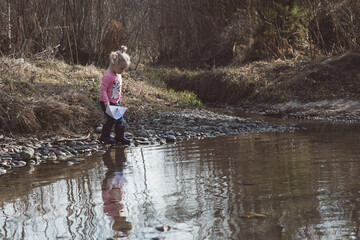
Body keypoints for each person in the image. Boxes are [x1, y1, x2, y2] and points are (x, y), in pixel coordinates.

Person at [99, 49, 131, 144]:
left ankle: (119, 137)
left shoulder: (118, 75)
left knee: (119, 119)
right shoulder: (108, 76)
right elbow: (103, 89)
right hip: (107, 102)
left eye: (124, 69)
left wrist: (119, 100)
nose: (122, 71)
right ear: (113, 64)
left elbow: (117, 89)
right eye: (121, 68)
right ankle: (104, 136)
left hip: (116, 101)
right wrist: (106, 102)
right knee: (112, 119)